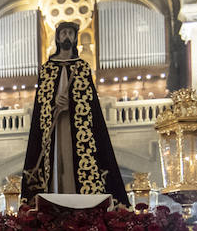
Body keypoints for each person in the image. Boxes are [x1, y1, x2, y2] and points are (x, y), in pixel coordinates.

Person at [19, 20, 128, 204]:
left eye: (70, 33)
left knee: (73, 159)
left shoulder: (82, 67)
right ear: (58, 38)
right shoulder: (47, 69)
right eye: (63, 33)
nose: (66, 36)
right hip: (53, 125)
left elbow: (89, 103)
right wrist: (54, 105)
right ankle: (55, 195)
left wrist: (71, 105)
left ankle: (78, 199)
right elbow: (41, 106)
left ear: (75, 37)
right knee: (55, 160)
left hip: (76, 127)